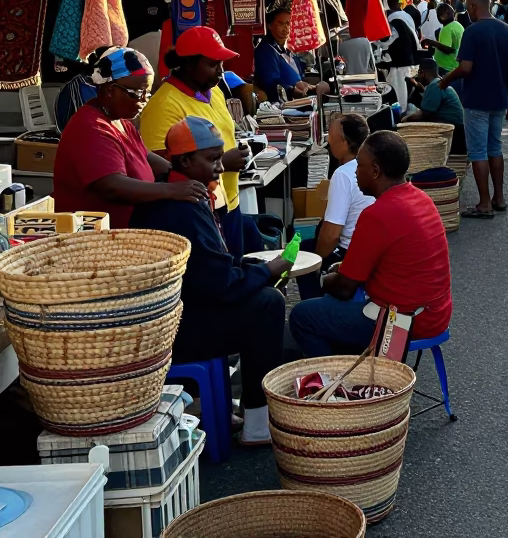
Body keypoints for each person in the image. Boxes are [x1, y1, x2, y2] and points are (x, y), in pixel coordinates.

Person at [130, 116, 287, 446]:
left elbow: (214, 269)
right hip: (176, 330)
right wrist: (266, 272)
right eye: (212, 159)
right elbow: (221, 286)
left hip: (177, 314)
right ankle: (258, 423)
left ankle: (241, 410)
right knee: (268, 304)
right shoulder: (181, 208)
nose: (220, 166)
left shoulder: (183, 194)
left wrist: (251, 270)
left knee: (259, 290)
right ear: (186, 161)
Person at [289, 132, 452, 356]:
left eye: (359, 165)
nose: (355, 172)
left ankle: (334, 376)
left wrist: (322, 278)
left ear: (375, 171)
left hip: (404, 322)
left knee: (303, 316)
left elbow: (344, 289)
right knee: (336, 309)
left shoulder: (377, 215)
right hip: (435, 314)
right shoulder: (422, 199)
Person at [139, 26, 258, 258]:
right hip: (197, 212)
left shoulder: (215, 92)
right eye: (213, 65)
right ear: (188, 65)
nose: (221, 72)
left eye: (221, 64)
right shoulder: (164, 105)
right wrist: (224, 162)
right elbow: (162, 168)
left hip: (227, 203)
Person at [53, 47, 207, 226]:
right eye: (138, 93)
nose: (144, 100)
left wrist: (183, 174)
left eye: (148, 94)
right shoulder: (90, 128)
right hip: (96, 237)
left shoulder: (121, 122)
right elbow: (111, 186)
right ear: (110, 90)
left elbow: (145, 156)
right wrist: (171, 189)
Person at [440, 0, 508, 218]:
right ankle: (499, 198)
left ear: (474, 6)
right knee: (495, 147)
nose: (468, 12)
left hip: (476, 100)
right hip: (499, 100)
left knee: (477, 151)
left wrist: (445, 80)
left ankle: (484, 204)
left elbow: (465, 68)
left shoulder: (472, 31)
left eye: (468, 8)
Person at [298, 113, 373, 299]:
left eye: (331, 136)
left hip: (349, 253)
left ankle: (314, 306)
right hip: (368, 250)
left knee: (306, 256)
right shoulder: (372, 166)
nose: (328, 141)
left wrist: (316, 260)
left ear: (345, 143)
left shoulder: (343, 174)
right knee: (309, 244)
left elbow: (331, 236)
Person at [254, 3, 322, 101]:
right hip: (280, 103)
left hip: (298, 98)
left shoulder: (288, 49)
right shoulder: (266, 50)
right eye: (281, 23)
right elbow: (271, 83)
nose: (286, 27)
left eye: (288, 23)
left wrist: (307, 85)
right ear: (270, 26)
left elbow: (299, 76)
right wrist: (292, 90)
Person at [404, 60, 467, 154]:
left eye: (418, 73)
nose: (418, 77)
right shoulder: (439, 82)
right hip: (459, 131)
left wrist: (404, 120)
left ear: (422, 72)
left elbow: (425, 114)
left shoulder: (434, 86)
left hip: (454, 133)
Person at [380, 0, 420, 110]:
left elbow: (388, 40)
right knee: (405, 89)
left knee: (400, 91)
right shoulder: (407, 16)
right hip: (409, 58)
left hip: (400, 62)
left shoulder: (393, 19)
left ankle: (400, 112)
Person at [422, 3, 464, 96]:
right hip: (455, 65)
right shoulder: (457, 25)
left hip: (446, 67)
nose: (442, 15)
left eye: (444, 12)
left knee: (444, 94)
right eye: (440, 13)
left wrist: (431, 42)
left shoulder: (447, 29)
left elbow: (447, 49)